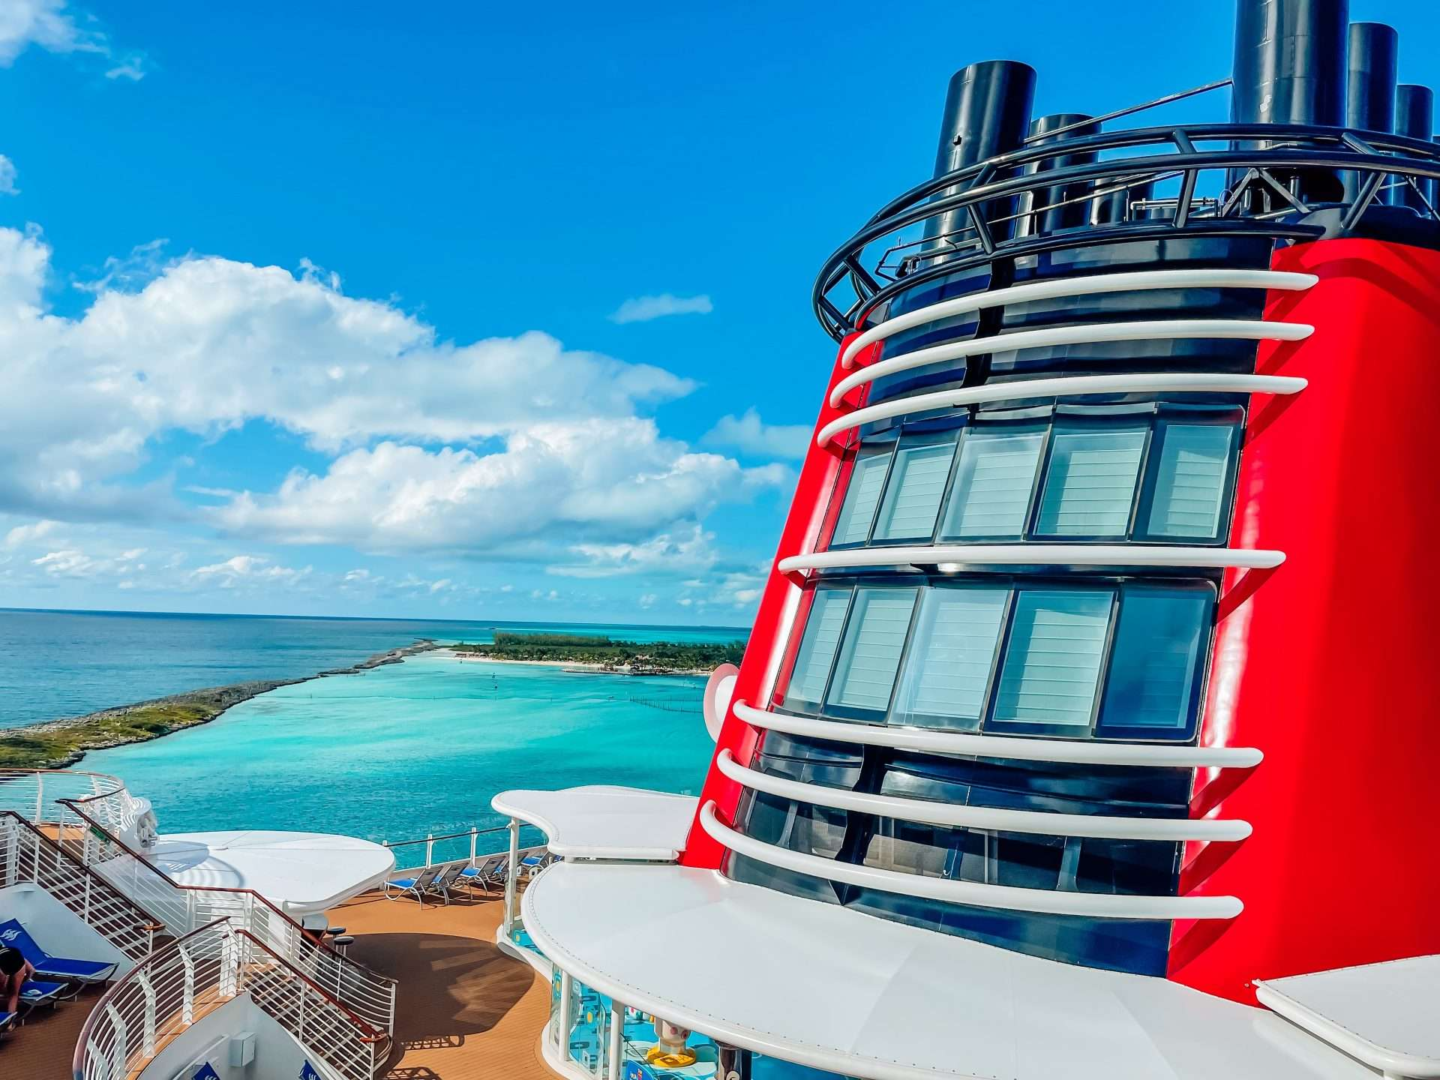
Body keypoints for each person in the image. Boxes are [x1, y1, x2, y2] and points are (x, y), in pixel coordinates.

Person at [0, 945, 34, 1015]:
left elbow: (2, 976)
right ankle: (10, 1020)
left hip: (5, 966)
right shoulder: (12, 950)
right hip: (18, 963)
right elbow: (32, 970)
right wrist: (23, 981)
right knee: (14, 994)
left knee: (5, 990)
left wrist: (3, 987)